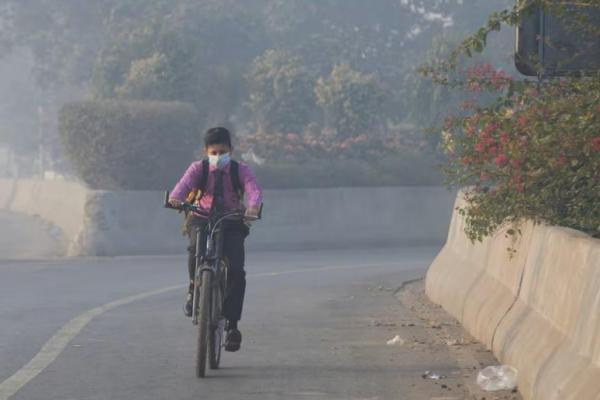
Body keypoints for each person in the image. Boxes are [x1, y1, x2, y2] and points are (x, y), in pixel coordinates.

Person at [169, 127, 262, 352]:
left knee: (237, 272)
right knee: (194, 249)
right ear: (206, 151)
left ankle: (232, 326)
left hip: (232, 220)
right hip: (201, 217)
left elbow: (253, 190)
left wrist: (252, 206)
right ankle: (194, 289)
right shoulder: (197, 169)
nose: (218, 156)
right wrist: (175, 199)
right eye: (214, 152)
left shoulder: (240, 170)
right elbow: (181, 188)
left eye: (223, 151)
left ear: (231, 150)